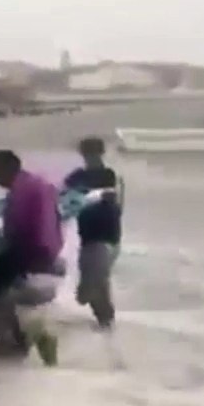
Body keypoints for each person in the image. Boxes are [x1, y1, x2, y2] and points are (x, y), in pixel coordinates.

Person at [0, 149, 64, 366]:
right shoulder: (39, 185)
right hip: (49, 259)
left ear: (7, 168)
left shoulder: (21, 192)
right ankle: (38, 357)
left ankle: (15, 355)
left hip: (34, 260)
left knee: (4, 304)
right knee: (26, 311)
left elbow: (18, 231)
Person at [64, 137, 123, 329]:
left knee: (98, 283)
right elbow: (66, 200)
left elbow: (116, 202)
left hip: (107, 235)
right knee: (93, 287)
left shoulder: (110, 176)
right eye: (88, 154)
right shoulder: (76, 177)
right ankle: (104, 322)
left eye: (94, 154)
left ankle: (106, 322)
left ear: (101, 153)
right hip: (89, 236)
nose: (91, 157)